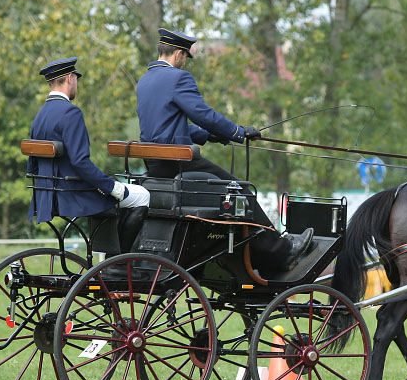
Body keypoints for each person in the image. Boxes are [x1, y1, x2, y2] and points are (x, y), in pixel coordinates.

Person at [135, 27, 313, 272]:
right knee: (240, 191)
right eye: (185, 57)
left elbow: (166, 127)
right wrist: (237, 132)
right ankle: (280, 253)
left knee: (234, 190)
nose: (185, 63)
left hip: (156, 165)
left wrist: (210, 135)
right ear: (178, 54)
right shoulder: (178, 78)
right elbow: (203, 114)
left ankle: (257, 254)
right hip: (178, 162)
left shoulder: (145, 81)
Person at [28, 57, 150, 254]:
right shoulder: (70, 112)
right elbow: (80, 162)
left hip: (47, 196)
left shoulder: (40, 117)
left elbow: (33, 166)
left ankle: (114, 258)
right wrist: (112, 187)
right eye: (76, 79)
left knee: (122, 193)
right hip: (73, 193)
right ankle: (120, 261)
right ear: (70, 78)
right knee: (142, 196)